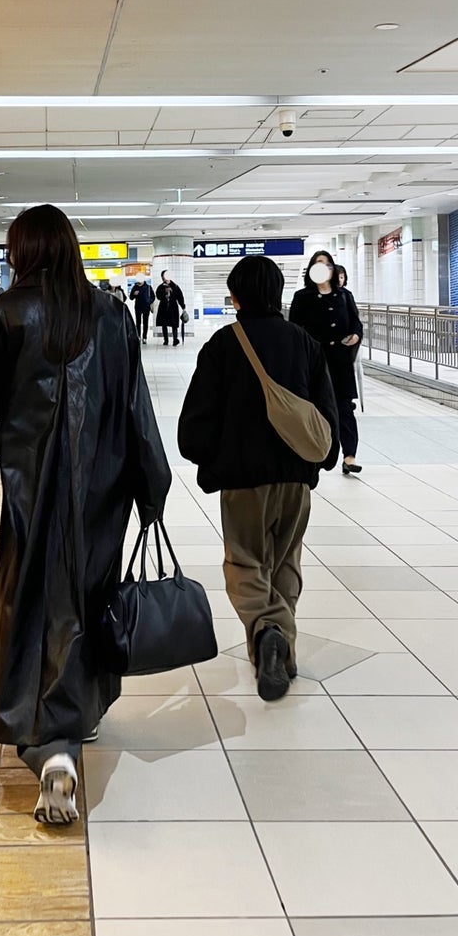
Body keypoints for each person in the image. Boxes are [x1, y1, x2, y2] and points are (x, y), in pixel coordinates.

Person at [0, 204, 171, 825]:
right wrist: (152, 485)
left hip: (30, 489)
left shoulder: (6, 313)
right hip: (101, 489)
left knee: (29, 604)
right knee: (85, 599)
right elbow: (136, 405)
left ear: (22, 252)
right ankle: (76, 719)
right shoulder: (109, 313)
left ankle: (50, 746)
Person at [178, 256, 339, 701]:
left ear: (235, 297)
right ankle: (281, 652)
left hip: (243, 479)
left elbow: (196, 426)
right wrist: (321, 462)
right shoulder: (305, 343)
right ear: (278, 294)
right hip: (295, 478)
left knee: (245, 562)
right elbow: (327, 411)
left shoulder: (223, 345)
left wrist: (208, 458)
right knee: (285, 562)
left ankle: (268, 632)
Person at [289, 251, 363, 475]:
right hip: (315, 363)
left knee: (344, 408)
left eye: (327, 264)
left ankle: (349, 456)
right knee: (316, 409)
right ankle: (316, 455)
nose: (323, 267)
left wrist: (355, 335)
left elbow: (356, 323)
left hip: (341, 362)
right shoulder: (303, 297)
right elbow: (294, 329)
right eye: (318, 264)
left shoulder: (344, 296)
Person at [155, 269, 186, 346]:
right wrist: (164, 292)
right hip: (163, 307)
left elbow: (180, 297)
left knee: (174, 324)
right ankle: (166, 340)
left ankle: (175, 340)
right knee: (164, 324)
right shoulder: (160, 287)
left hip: (173, 307)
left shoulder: (175, 286)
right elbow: (158, 296)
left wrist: (183, 306)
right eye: (162, 276)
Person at [129, 274, 155, 343]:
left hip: (146, 307)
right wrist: (134, 294)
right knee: (138, 323)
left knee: (145, 323)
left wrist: (149, 301)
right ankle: (138, 336)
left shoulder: (148, 287)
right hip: (138, 307)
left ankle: (144, 337)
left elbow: (153, 297)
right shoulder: (135, 287)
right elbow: (131, 297)